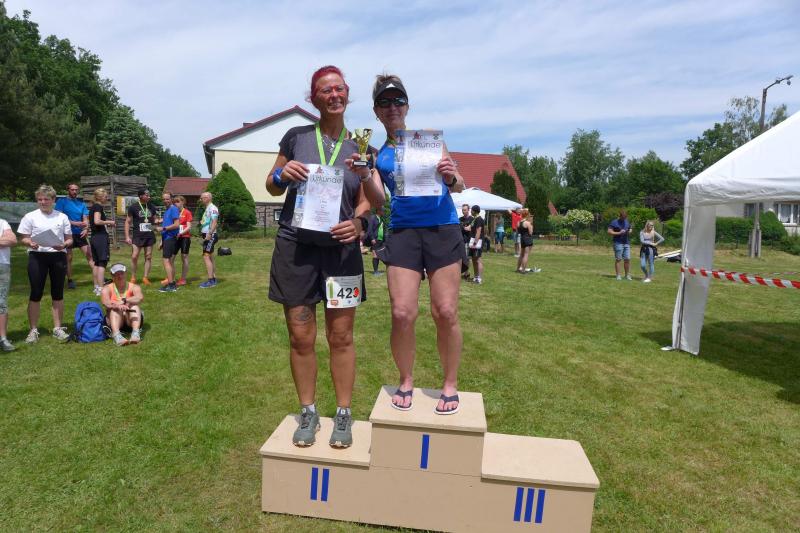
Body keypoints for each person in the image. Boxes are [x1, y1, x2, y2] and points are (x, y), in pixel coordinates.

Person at [266, 65, 384, 448]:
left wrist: (360, 224)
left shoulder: (362, 147)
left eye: (338, 89)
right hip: (296, 247)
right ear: (313, 98)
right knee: (300, 336)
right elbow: (270, 184)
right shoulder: (296, 137)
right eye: (324, 90)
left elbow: (368, 200)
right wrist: (283, 175)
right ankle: (308, 411)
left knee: (341, 336)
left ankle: (344, 414)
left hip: (341, 251)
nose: (333, 95)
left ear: (347, 93)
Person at [371, 73, 466, 415]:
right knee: (401, 313)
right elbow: (379, 200)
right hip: (403, 233)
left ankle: (450, 384)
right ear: (376, 112)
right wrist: (365, 174)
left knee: (445, 311)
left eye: (398, 100)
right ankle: (406, 379)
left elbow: (459, 184)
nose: (392, 107)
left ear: (407, 106)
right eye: (384, 102)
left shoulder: (430, 142)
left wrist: (451, 175)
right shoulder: (379, 155)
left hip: (442, 227)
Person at [17, 184, 73, 342]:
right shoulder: (30, 216)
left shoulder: (62, 217)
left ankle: (57, 328)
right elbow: (24, 237)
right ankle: (33, 330)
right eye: (40, 199)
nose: (42, 202)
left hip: (58, 256)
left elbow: (69, 239)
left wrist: (64, 245)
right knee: (36, 292)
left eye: (46, 199)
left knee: (58, 293)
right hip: (37, 256)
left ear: (53, 200)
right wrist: (30, 242)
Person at [55, 183, 93, 289]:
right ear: (68, 190)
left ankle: (99, 277)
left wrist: (86, 228)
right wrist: (75, 223)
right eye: (72, 190)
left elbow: (85, 218)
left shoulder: (81, 204)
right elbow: (58, 218)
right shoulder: (61, 202)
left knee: (90, 255)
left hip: (80, 233)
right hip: (67, 234)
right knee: (69, 257)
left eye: (76, 190)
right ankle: (70, 280)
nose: (75, 192)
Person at [101, 263, 144, 346]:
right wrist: (117, 306)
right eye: (117, 274)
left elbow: (140, 298)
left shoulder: (134, 287)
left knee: (134, 306)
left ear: (126, 273)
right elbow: (106, 303)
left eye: (122, 273)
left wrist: (124, 300)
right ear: (112, 276)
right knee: (114, 309)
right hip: (115, 321)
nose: (120, 276)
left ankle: (135, 333)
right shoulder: (106, 289)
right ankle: (116, 335)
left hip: (129, 320)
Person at [124, 188, 156, 285]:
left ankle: (145, 277)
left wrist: (162, 222)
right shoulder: (133, 207)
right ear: (141, 196)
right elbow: (128, 222)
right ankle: (133, 277)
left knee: (148, 256)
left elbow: (153, 221)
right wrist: (127, 236)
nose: (149, 197)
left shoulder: (151, 206)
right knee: (134, 256)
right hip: (138, 235)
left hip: (149, 235)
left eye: (149, 195)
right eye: (147, 195)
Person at [89, 188, 115, 296]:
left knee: (96, 263)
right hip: (100, 237)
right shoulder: (98, 207)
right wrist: (110, 222)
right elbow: (97, 221)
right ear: (99, 197)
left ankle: (96, 287)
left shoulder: (93, 207)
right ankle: (101, 288)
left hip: (94, 237)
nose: (107, 198)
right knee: (102, 263)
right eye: (105, 196)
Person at [156, 193, 180, 293]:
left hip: (170, 238)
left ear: (171, 199)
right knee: (168, 261)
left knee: (166, 261)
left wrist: (163, 228)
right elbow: (167, 222)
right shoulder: (167, 210)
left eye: (167, 199)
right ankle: (172, 283)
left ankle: (171, 285)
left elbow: (176, 225)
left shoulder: (173, 209)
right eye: (164, 199)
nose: (165, 201)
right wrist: (162, 240)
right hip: (166, 238)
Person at [0, 217, 17, 351]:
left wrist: (6, 240)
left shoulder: (2, 222)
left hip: (2, 265)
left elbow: (12, 240)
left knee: (1, 302)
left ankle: (3, 338)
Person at [198, 192, 219, 288]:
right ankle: (213, 278)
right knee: (210, 256)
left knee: (206, 256)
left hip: (210, 235)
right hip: (206, 234)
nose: (200, 200)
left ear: (207, 198)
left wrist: (209, 234)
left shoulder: (213, 208)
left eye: (202, 198)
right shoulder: (208, 208)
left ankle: (211, 281)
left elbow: (215, 222)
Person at [608, 209, 632, 280]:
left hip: (626, 243)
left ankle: (627, 275)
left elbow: (630, 228)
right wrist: (619, 233)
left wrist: (629, 231)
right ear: (620, 216)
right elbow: (609, 231)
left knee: (627, 259)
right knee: (618, 259)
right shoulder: (614, 222)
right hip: (618, 243)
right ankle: (618, 275)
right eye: (623, 217)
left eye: (625, 217)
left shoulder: (627, 221)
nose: (624, 219)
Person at [175, 195, 193, 286]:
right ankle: (170, 277)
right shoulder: (174, 212)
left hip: (185, 237)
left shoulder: (187, 212)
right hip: (175, 237)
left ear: (183, 202)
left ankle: (183, 279)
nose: (176, 203)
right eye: (175, 202)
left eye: (178, 201)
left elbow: (189, 227)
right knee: (171, 257)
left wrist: (181, 233)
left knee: (184, 256)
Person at [468, 205, 485, 284]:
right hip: (473, 241)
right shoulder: (475, 219)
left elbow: (478, 231)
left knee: (478, 260)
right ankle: (476, 277)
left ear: (474, 211)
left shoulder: (479, 219)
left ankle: (479, 279)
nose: (470, 211)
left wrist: (475, 242)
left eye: (471, 210)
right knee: (474, 259)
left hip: (477, 242)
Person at [516, 209, 534, 273]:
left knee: (521, 255)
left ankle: (518, 269)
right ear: (526, 215)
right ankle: (523, 270)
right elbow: (531, 233)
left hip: (522, 239)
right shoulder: (527, 223)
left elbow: (517, 232)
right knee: (526, 255)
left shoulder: (518, 223)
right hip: (528, 239)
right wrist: (531, 225)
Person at [458, 203, 473, 279]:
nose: (463, 211)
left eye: (465, 210)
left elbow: (469, 229)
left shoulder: (471, 219)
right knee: (459, 257)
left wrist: (462, 227)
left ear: (468, 210)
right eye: (462, 210)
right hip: (460, 240)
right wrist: (464, 227)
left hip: (468, 240)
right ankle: (460, 272)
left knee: (467, 257)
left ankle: (466, 273)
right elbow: (458, 228)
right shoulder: (460, 219)